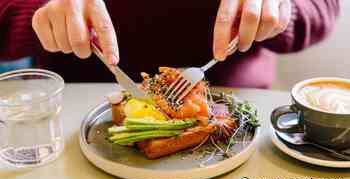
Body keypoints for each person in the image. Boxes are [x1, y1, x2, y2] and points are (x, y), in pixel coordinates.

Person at [0, 0, 339, 88]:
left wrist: (281, 12)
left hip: (239, 119)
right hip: (78, 119)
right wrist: (38, 15)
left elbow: (324, 9)